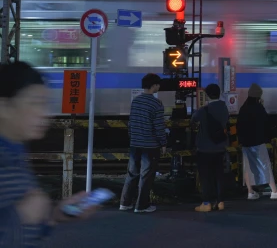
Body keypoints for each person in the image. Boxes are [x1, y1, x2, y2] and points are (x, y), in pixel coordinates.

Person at [0, 62, 102, 247]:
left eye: (46, 104)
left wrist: (55, 215)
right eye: (34, 103)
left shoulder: (15, 154)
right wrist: (20, 215)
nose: (45, 114)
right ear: (4, 107)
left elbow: (27, 230)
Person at [120, 73, 167, 213]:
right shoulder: (156, 103)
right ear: (154, 85)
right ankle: (141, 205)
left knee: (132, 173)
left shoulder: (136, 101)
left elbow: (131, 123)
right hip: (150, 145)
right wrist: (163, 143)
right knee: (146, 176)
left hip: (135, 143)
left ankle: (125, 203)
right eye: (158, 84)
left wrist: (132, 137)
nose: (159, 87)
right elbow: (158, 126)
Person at [237, 84, 277, 201]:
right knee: (265, 165)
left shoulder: (243, 108)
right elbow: (266, 124)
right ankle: (274, 191)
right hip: (257, 142)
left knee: (248, 167)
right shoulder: (258, 107)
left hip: (245, 142)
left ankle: (250, 192)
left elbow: (239, 125)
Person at [191, 84, 230, 212]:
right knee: (219, 174)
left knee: (205, 176)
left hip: (205, 148)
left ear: (207, 95)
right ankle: (220, 202)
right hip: (220, 147)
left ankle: (206, 203)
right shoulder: (224, 108)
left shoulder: (204, 110)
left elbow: (194, 119)